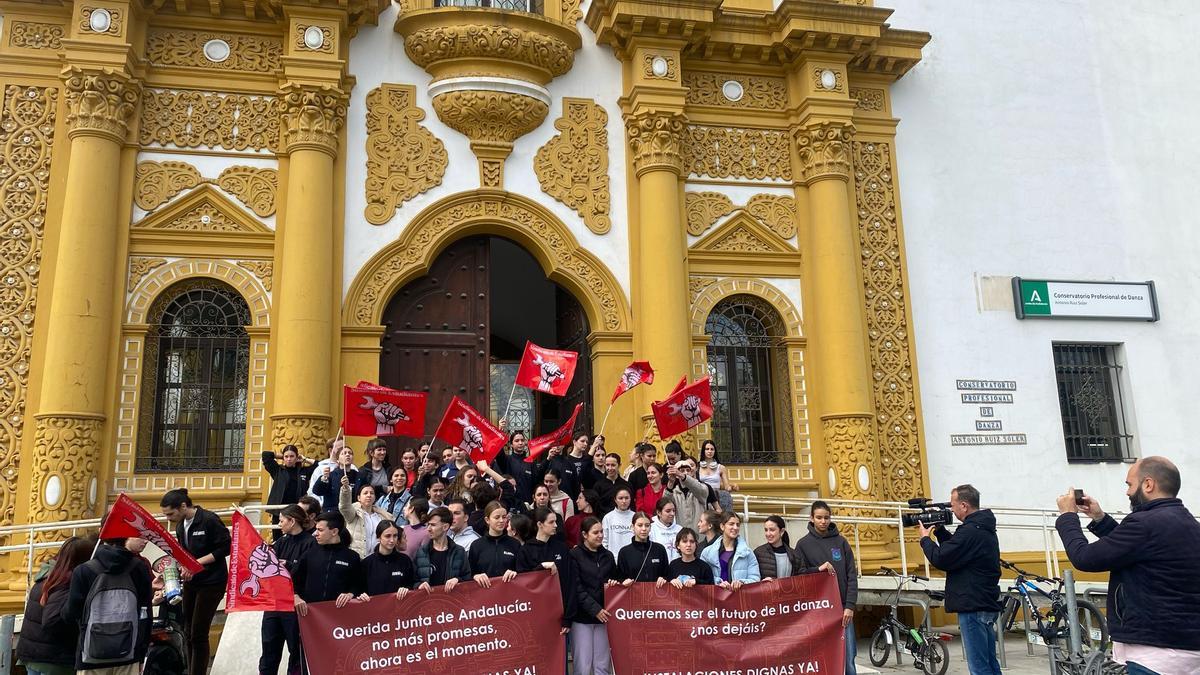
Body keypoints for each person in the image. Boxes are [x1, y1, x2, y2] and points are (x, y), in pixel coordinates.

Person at [1055, 457, 1200, 674]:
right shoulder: (1187, 522)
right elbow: (1134, 549)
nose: (1128, 492)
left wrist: (1068, 517)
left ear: (1148, 484)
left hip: (1154, 654)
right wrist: (1099, 518)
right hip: (1187, 647)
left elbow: (1084, 557)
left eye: (1130, 485)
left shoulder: (1144, 523)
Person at [918, 484, 1002, 675]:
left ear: (964, 505)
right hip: (984, 602)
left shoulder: (971, 531)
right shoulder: (982, 527)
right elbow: (957, 551)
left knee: (979, 667)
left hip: (973, 605)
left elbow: (942, 558)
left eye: (953, 505)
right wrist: (939, 531)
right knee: (989, 663)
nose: (951, 509)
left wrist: (925, 539)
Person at [160, 488, 229, 675]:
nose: (168, 519)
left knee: (199, 633)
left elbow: (225, 547)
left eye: (170, 514)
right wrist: (184, 567)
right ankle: (191, 669)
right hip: (192, 581)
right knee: (187, 630)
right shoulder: (181, 525)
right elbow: (184, 553)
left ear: (183, 506)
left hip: (212, 581)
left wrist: (197, 564)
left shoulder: (209, 519)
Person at [63, 535, 154, 674]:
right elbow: (146, 615)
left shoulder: (83, 570)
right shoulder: (139, 568)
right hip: (128, 654)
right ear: (125, 540)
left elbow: (71, 614)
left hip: (90, 657)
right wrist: (140, 655)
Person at [794, 504, 856, 675]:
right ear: (811, 518)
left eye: (826, 518)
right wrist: (818, 569)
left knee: (848, 659)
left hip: (843, 608)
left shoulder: (841, 542)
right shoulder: (803, 544)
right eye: (819, 518)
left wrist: (850, 606)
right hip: (818, 611)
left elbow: (852, 575)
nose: (823, 521)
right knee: (821, 658)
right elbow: (798, 575)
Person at [18, 536, 95, 675]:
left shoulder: (46, 575)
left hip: (34, 654)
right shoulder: (66, 582)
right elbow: (52, 621)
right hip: (54, 659)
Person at [260, 505, 312, 675]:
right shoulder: (281, 541)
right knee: (269, 650)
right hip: (274, 604)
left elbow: (307, 572)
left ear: (292, 521)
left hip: (295, 605)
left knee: (296, 651)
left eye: (282, 521)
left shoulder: (310, 542)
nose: (279, 524)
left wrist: (288, 565)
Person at [291, 512, 363, 618]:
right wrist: (296, 597)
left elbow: (359, 585)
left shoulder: (352, 557)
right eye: (316, 529)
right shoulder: (309, 554)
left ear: (334, 531)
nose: (315, 533)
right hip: (310, 615)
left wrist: (350, 594)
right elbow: (293, 580)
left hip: (340, 617)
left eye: (320, 530)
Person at [569, 517, 617, 675]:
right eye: (595, 532)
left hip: (605, 617)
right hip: (582, 618)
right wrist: (595, 609)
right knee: (583, 665)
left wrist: (615, 584)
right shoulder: (574, 555)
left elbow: (615, 582)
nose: (600, 535)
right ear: (584, 534)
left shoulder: (608, 556)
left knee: (602, 665)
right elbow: (576, 588)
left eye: (602, 532)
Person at [518, 506, 575, 637]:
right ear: (539, 524)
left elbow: (570, 583)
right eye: (551, 522)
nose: (556, 525)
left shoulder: (561, 547)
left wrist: (568, 618)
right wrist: (541, 568)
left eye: (556, 521)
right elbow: (522, 583)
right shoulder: (526, 550)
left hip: (559, 615)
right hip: (534, 616)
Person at [261, 445, 312, 538]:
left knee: (298, 536)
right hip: (279, 510)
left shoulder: (304, 471)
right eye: (286, 456)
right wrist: (279, 456)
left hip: (297, 510)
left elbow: (318, 465)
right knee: (278, 537)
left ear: (297, 457)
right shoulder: (277, 470)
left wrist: (304, 459)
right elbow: (265, 455)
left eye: (292, 456)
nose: (289, 459)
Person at [700, 511, 760, 589]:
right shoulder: (707, 553)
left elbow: (755, 578)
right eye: (731, 524)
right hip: (716, 598)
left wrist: (741, 582)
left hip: (738, 598)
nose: (735, 527)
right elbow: (702, 577)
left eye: (738, 525)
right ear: (722, 526)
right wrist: (718, 582)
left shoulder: (748, 553)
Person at [360, 520, 417, 599]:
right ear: (378, 538)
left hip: (398, 609)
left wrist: (406, 589)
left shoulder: (405, 561)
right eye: (388, 536)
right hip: (374, 609)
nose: (392, 540)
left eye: (395, 536)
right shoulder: (367, 563)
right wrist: (361, 595)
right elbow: (358, 589)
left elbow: (412, 584)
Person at [469, 501, 522, 586]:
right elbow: (469, 573)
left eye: (504, 517)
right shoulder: (476, 545)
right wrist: (476, 576)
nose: (501, 520)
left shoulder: (515, 544)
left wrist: (515, 573)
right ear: (487, 520)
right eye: (497, 517)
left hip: (510, 594)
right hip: (484, 594)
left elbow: (523, 572)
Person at [415, 507, 470, 590]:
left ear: (445, 527)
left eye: (433, 525)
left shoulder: (459, 551)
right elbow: (412, 581)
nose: (428, 529)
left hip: (451, 600)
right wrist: (419, 585)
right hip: (428, 601)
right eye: (428, 524)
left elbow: (468, 578)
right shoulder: (421, 552)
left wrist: (457, 580)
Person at [339, 481, 395, 559]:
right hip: (357, 558)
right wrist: (345, 489)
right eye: (365, 493)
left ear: (375, 497)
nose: (369, 495)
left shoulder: (380, 515)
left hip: (376, 559)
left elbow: (392, 524)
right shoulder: (353, 513)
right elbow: (344, 506)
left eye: (371, 493)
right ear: (359, 498)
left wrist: (381, 511)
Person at [616, 512, 669, 586]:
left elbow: (667, 575)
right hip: (633, 595)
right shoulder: (624, 552)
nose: (644, 529)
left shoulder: (660, 549)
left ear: (650, 527)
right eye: (640, 525)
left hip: (657, 595)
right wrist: (624, 582)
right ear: (632, 527)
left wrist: (663, 579)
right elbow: (619, 579)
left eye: (647, 525)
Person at [666, 459, 710, 536]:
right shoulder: (675, 492)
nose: (685, 473)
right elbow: (665, 503)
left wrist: (682, 476)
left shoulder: (701, 487)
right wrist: (670, 483)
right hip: (681, 538)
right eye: (682, 470)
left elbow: (702, 492)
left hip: (700, 537)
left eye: (688, 470)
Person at [754, 515, 807, 580]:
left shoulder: (795, 555)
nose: (768, 534)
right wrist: (762, 582)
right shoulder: (758, 553)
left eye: (772, 530)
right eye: (766, 530)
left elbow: (802, 579)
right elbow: (753, 577)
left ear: (782, 531)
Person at [311, 443, 359, 511]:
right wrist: (324, 478)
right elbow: (317, 491)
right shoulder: (331, 475)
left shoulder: (359, 476)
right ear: (337, 460)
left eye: (350, 453)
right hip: (333, 512)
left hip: (353, 512)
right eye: (344, 453)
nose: (347, 455)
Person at [698, 440, 737, 512]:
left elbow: (726, 486)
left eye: (712, 449)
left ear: (715, 451)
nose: (709, 451)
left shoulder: (721, 467)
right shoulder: (697, 466)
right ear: (703, 451)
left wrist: (732, 487)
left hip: (716, 496)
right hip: (703, 495)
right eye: (707, 449)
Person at [602, 487, 635, 554]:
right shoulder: (608, 517)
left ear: (630, 499)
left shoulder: (636, 516)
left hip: (632, 557)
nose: (624, 501)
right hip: (613, 558)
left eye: (626, 498)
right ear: (615, 499)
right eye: (620, 498)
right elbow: (604, 540)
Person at [649, 497, 682, 562]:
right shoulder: (651, 529)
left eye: (673, 510)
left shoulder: (680, 530)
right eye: (668, 511)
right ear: (658, 512)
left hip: (677, 569)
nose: (672, 514)